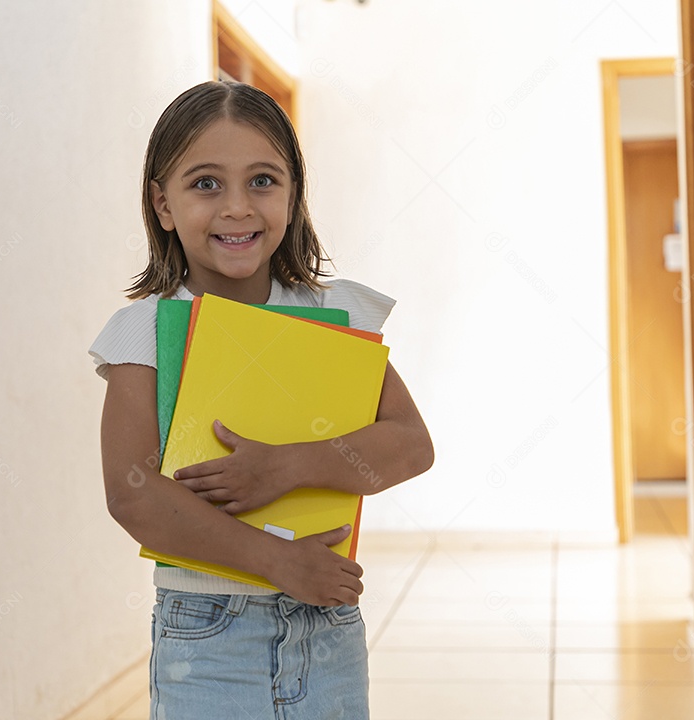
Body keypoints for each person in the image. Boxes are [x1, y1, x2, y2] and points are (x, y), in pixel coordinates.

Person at [89, 80, 434, 720]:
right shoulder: (144, 331)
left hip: (326, 621)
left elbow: (411, 446)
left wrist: (286, 466)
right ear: (163, 204)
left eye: (263, 181)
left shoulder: (335, 314)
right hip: (206, 631)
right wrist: (277, 562)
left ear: (293, 195)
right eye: (206, 184)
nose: (237, 207)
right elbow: (132, 493)